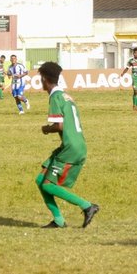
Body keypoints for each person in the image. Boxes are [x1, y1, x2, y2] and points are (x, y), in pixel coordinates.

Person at [36, 61, 99, 229]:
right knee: (40, 179)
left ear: (45, 79)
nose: (40, 82)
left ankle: (87, 206)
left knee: (48, 185)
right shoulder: (66, 96)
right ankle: (58, 220)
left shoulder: (55, 98)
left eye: (41, 78)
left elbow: (59, 125)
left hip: (71, 147)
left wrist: (46, 129)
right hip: (73, 144)